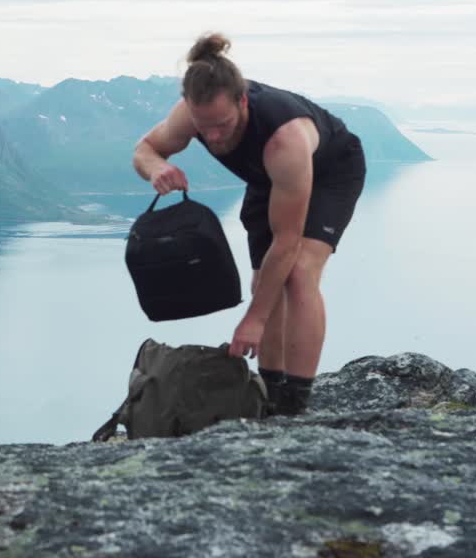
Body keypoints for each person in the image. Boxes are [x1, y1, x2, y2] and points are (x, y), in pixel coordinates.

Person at [132, 32, 367, 415]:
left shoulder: (284, 139)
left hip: (329, 171)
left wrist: (252, 321)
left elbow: (287, 243)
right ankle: (270, 393)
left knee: (298, 273)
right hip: (267, 178)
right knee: (264, 281)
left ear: (242, 102)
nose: (212, 136)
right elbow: (144, 150)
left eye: (222, 125)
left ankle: (296, 402)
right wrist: (157, 167)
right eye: (203, 126)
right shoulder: (193, 115)